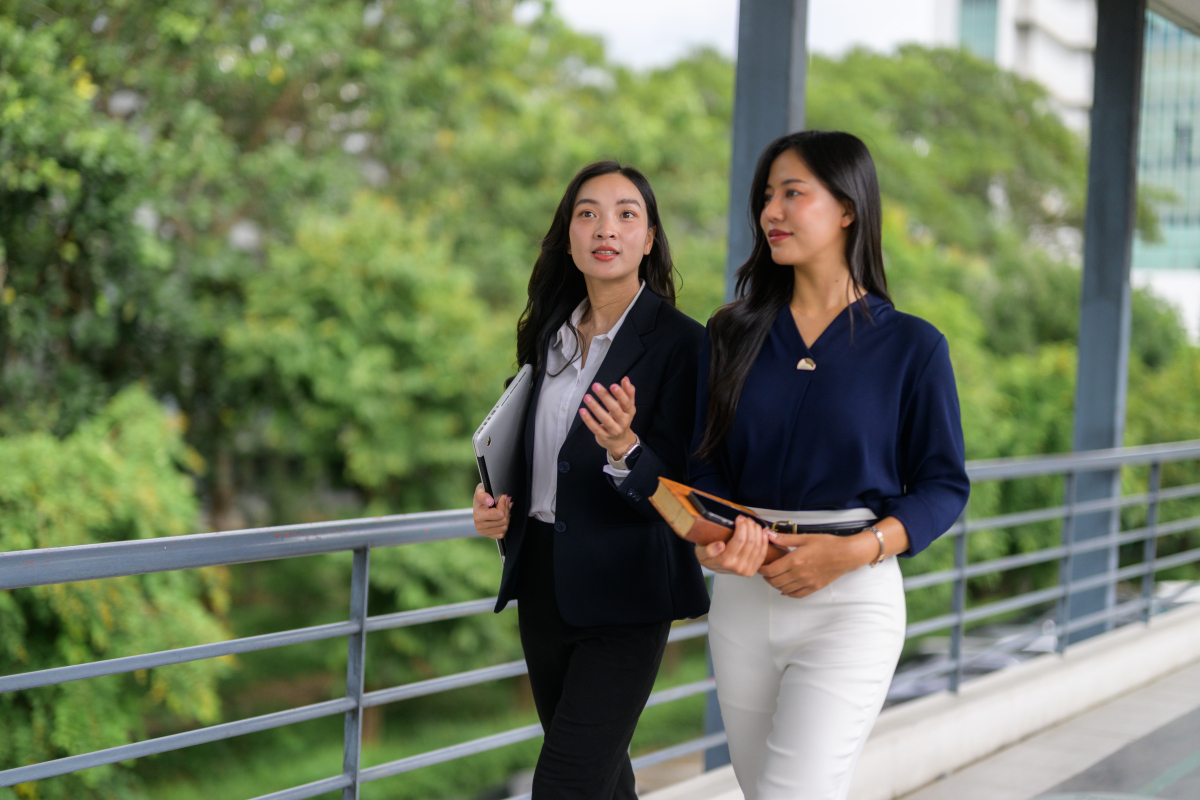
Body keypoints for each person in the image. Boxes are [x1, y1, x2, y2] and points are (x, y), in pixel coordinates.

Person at [689, 130, 970, 800]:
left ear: (848, 207)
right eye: (766, 197)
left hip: (853, 601)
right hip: (743, 600)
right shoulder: (730, 335)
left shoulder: (912, 346)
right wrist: (716, 541)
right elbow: (703, 473)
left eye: (793, 193)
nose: (771, 213)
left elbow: (942, 485)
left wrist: (856, 550)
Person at [472, 161, 710, 800]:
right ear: (569, 235)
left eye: (626, 214)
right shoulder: (546, 335)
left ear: (649, 238)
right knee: (603, 783)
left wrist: (625, 448)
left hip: (629, 590)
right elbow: (532, 452)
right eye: (588, 213)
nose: (606, 227)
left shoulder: (684, 345)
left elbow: (691, 490)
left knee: (564, 786)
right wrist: (497, 503)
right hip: (544, 582)